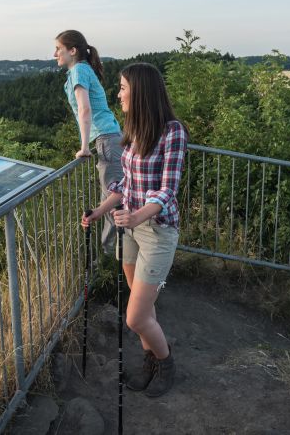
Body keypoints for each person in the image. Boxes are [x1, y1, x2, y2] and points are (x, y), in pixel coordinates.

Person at [81, 62, 188, 397]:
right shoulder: (134, 130)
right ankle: (150, 362)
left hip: (156, 232)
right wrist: (100, 211)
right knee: (144, 311)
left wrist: (138, 215)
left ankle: (166, 364)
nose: (119, 94)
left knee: (135, 317)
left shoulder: (173, 132)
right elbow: (126, 183)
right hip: (132, 229)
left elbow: (167, 189)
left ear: (140, 91)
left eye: (124, 87)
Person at [55, 30, 124, 254]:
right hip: (108, 139)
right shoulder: (82, 70)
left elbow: (85, 109)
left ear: (72, 51)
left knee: (116, 199)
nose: (55, 53)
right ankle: (111, 256)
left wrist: (84, 147)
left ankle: (119, 258)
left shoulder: (78, 71)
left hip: (106, 140)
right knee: (110, 198)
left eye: (59, 49)